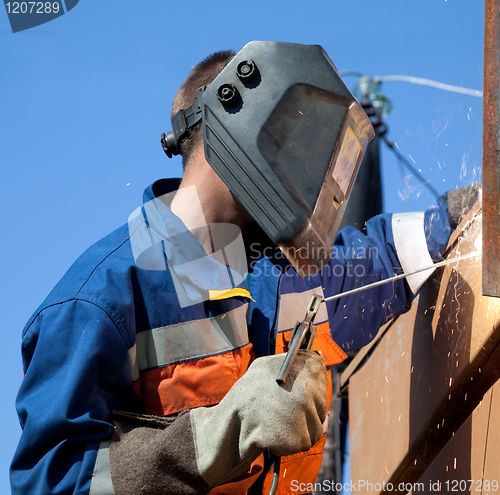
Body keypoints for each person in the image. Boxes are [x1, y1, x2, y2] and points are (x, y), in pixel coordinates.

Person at [10, 42, 479, 495]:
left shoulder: (285, 271)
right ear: (236, 117)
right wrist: (217, 436)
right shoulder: (100, 299)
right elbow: (52, 481)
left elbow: (387, 257)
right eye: (294, 134)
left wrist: (473, 216)